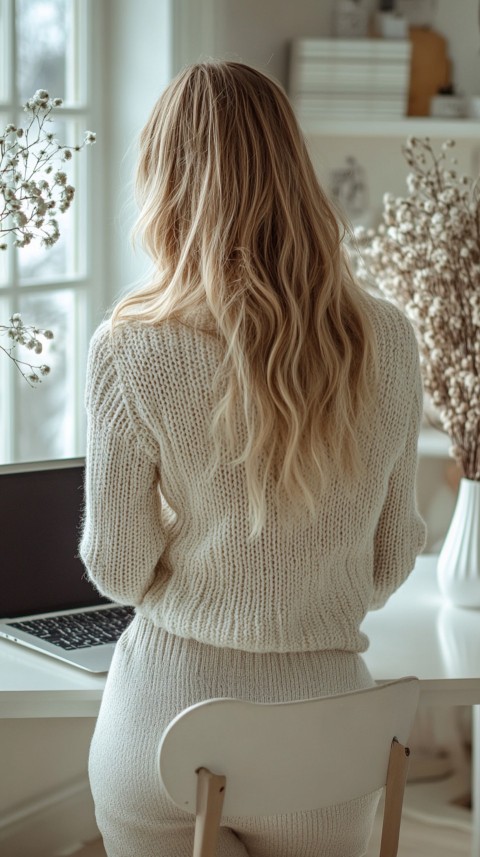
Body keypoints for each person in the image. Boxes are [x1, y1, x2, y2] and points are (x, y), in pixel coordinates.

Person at [80, 61, 426, 857]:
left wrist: (205, 554)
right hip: (326, 741)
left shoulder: (129, 346)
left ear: (165, 181)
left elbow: (118, 568)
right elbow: (389, 558)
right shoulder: (391, 340)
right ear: (294, 170)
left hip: (164, 730)